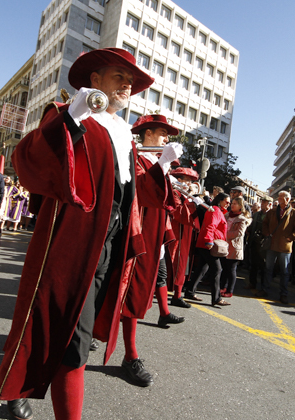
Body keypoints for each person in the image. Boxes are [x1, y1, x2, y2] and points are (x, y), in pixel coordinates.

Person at [0, 48, 170, 420]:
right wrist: (70, 121)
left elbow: (142, 196)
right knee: (50, 328)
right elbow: (31, 162)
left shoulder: (125, 135)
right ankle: (18, 387)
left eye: (131, 81)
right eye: (119, 76)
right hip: (71, 245)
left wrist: (163, 166)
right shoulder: (71, 116)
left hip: (110, 246)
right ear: (95, 81)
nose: (127, 85)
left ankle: (27, 385)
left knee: (75, 336)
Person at [118, 113, 184, 386]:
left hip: (151, 236)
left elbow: (167, 205)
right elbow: (142, 193)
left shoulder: (156, 162)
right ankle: (123, 351)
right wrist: (163, 162)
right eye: (161, 132)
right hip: (131, 235)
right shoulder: (133, 156)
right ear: (146, 134)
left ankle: (129, 354)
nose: (166, 139)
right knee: (122, 291)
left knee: (136, 293)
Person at [184, 192, 231, 306]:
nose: (228, 204)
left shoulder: (217, 210)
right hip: (209, 244)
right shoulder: (215, 210)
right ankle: (216, 298)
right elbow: (210, 225)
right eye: (227, 201)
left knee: (202, 269)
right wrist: (208, 240)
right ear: (220, 200)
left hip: (208, 243)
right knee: (217, 269)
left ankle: (190, 291)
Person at [166, 167, 201, 308]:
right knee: (172, 264)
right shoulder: (174, 192)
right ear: (179, 180)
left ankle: (177, 295)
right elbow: (180, 213)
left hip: (185, 234)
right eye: (187, 181)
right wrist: (191, 200)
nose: (189, 184)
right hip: (175, 233)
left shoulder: (184, 194)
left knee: (183, 265)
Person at [261, 191, 295, 303]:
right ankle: (264, 289)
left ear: (287, 199)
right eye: (278, 197)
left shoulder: (294, 213)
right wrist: (266, 233)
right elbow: (264, 224)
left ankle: (283, 294)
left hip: (285, 247)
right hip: (272, 244)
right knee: (268, 268)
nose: (278, 199)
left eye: (281, 197)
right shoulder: (272, 211)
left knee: (284, 271)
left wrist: (290, 238)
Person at [221, 196, 251, 297]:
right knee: (224, 267)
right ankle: (222, 287)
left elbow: (239, 233)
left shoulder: (242, 219)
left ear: (240, 206)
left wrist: (224, 235)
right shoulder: (227, 215)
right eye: (232, 203)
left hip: (234, 247)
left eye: (235, 204)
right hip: (224, 245)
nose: (232, 205)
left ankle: (230, 290)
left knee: (231, 269)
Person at [246, 197, 271, 290]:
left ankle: (263, 287)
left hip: (264, 244)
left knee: (263, 266)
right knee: (253, 264)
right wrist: (248, 230)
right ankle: (252, 283)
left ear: (269, 204)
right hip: (254, 241)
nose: (263, 204)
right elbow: (251, 225)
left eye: (265, 203)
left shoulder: (271, 215)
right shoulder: (256, 214)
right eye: (262, 202)